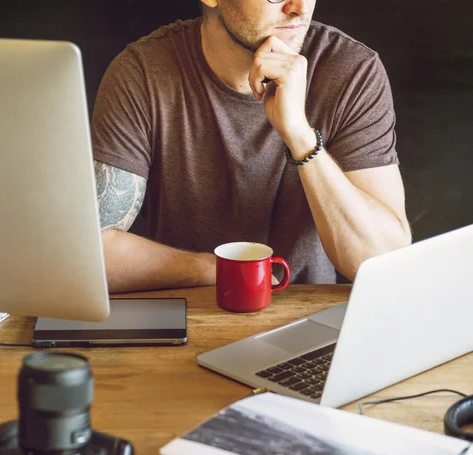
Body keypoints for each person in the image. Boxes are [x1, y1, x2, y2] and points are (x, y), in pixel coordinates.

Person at [91, 0, 412, 293]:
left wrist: (299, 134)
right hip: (186, 314)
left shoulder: (351, 71)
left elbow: (385, 262)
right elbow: (91, 251)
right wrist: (212, 269)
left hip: (303, 324)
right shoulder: (143, 72)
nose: (299, 8)